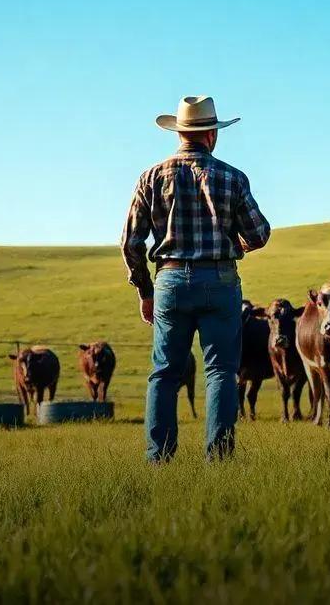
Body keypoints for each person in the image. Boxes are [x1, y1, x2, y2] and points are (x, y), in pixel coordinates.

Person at [122, 95, 271, 462]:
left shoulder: (150, 177)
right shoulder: (232, 177)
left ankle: (159, 459)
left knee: (164, 374)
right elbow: (260, 233)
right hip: (220, 281)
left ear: (180, 132)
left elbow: (130, 242)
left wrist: (145, 291)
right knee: (221, 371)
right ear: (212, 134)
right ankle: (218, 458)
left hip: (169, 281)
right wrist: (237, 243)